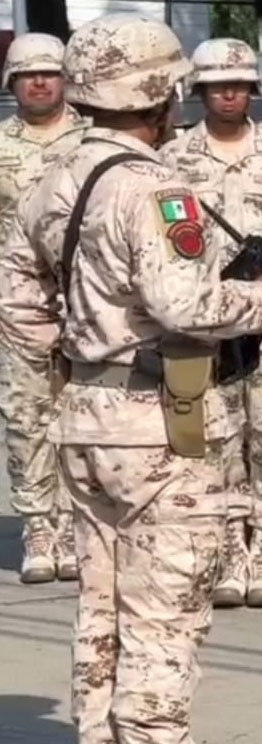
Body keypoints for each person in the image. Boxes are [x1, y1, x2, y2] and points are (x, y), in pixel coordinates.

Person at [0, 14, 262, 742]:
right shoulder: (157, 189)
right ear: (161, 96)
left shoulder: (52, 178)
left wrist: (80, 356)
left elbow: (17, 300)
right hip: (159, 423)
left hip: (86, 417)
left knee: (101, 607)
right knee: (165, 611)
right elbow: (185, 306)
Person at [162, 38, 262, 609]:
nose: (228, 95)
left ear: (252, 91)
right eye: (217, 86)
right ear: (201, 91)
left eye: (237, 85)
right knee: (220, 445)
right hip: (208, 329)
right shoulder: (175, 160)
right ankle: (233, 552)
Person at [0, 32, 87, 585]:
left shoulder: (92, 141)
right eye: (28, 74)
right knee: (26, 417)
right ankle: (38, 527)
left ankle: (77, 526)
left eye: (49, 73)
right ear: (12, 83)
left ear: (66, 79)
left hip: (90, 301)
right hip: (18, 305)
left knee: (84, 417)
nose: (39, 82)